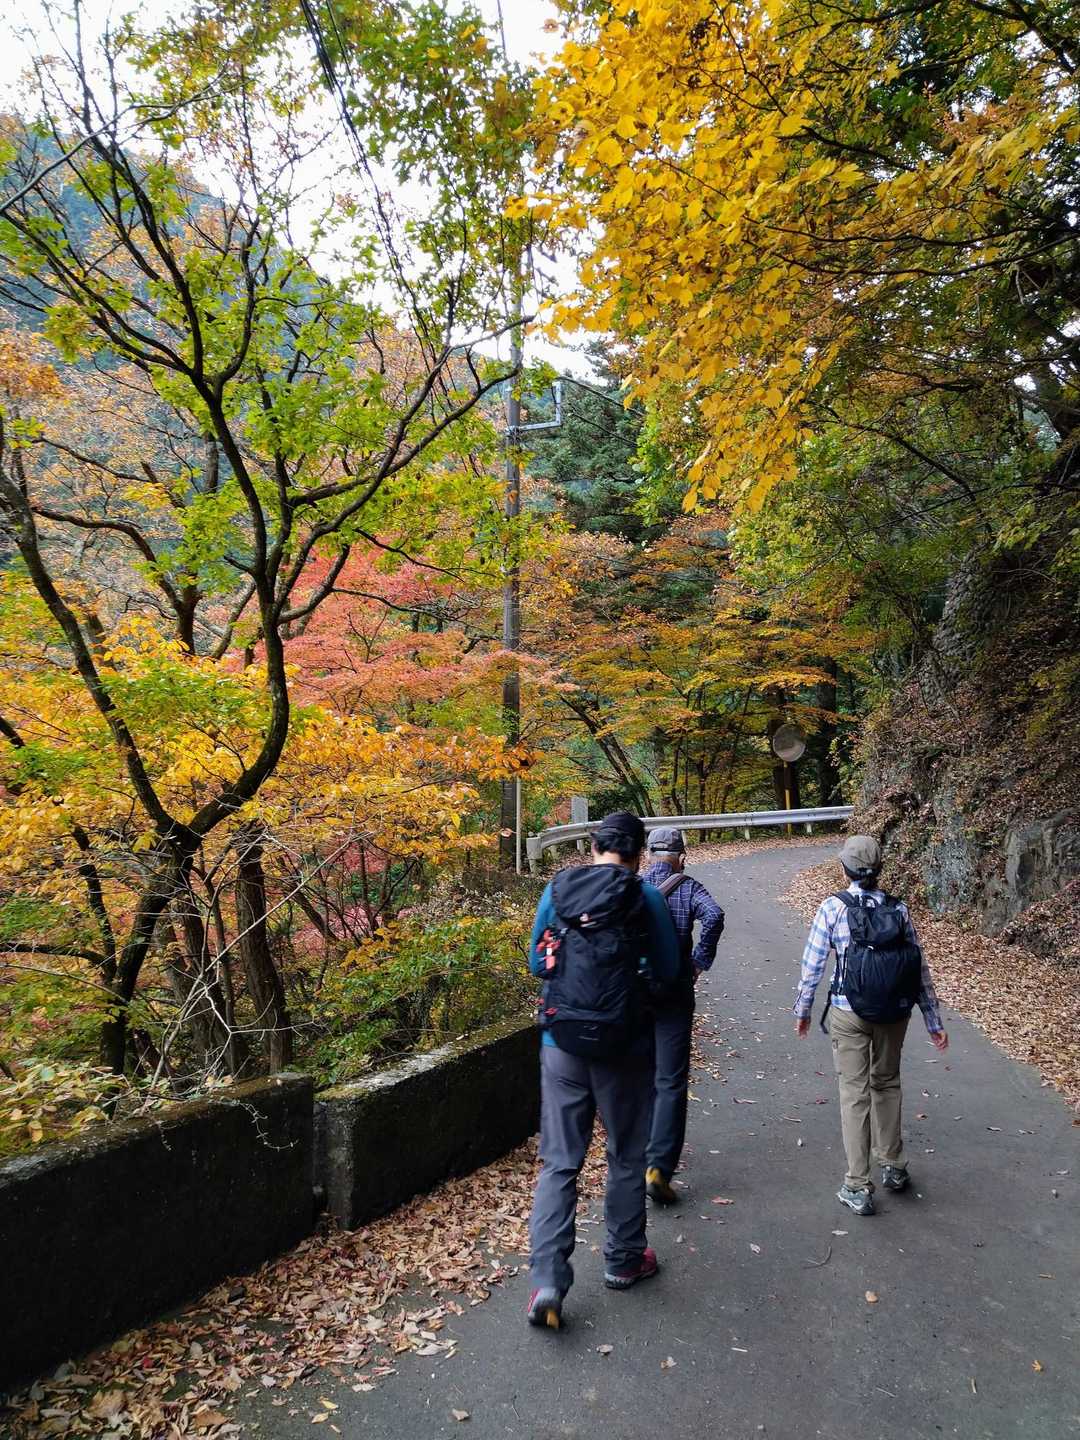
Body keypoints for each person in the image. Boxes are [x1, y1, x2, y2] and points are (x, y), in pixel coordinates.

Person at [525, 811, 681, 1330]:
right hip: (625, 1045)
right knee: (626, 1154)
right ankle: (624, 1259)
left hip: (562, 1043)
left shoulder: (557, 890)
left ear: (592, 847)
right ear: (638, 854)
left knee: (559, 1163)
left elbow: (537, 963)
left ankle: (548, 1283)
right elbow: (669, 970)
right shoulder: (647, 897)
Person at [794, 834, 948, 1216]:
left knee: (854, 1093)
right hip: (894, 1013)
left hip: (849, 1011)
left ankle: (857, 1185)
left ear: (844, 868)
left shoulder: (833, 908)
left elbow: (813, 964)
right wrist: (932, 1019)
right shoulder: (899, 909)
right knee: (887, 1082)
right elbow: (918, 967)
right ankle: (893, 1165)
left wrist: (804, 1009)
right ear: (879, 869)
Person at [640, 826, 725, 1205]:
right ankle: (659, 1168)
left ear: (648, 855)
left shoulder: (635, 887)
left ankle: (635, 1152)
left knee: (640, 1073)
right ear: (682, 857)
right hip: (675, 991)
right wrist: (699, 961)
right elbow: (714, 915)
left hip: (637, 993)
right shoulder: (689, 887)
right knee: (671, 1079)